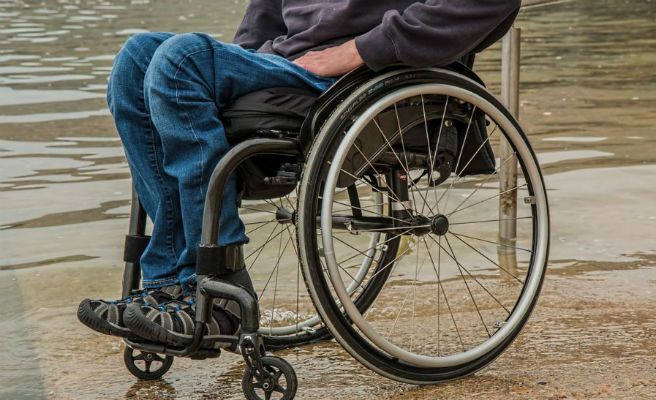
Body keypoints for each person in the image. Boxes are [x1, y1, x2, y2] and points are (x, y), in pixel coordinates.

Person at [77, 0, 521, 345]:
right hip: (287, 68)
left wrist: (357, 50)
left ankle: (219, 287)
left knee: (180, 58)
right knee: (138, 58)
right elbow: (262, 21)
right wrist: (237, 69)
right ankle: (168, 288)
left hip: (359, 75)